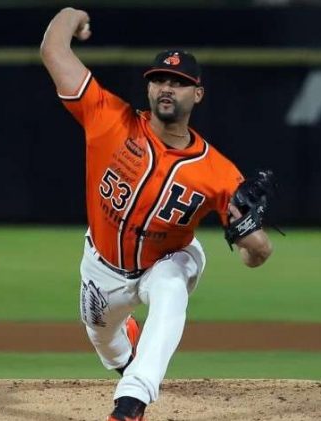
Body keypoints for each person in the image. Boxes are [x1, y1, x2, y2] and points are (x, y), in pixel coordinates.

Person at [40, 7, 273, 421]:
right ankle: (128, 350)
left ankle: (131, 404)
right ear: (148, 89)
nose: (168, 88)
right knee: (107, 344)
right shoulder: (107, 118)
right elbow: (52, 50)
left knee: (170, 286)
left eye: (179, 83)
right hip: (101, 268)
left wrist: (254, 241)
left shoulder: (219, 172)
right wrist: (71, 13)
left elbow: (253, 254)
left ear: (197, 94)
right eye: (160, 80)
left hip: (167, 261)